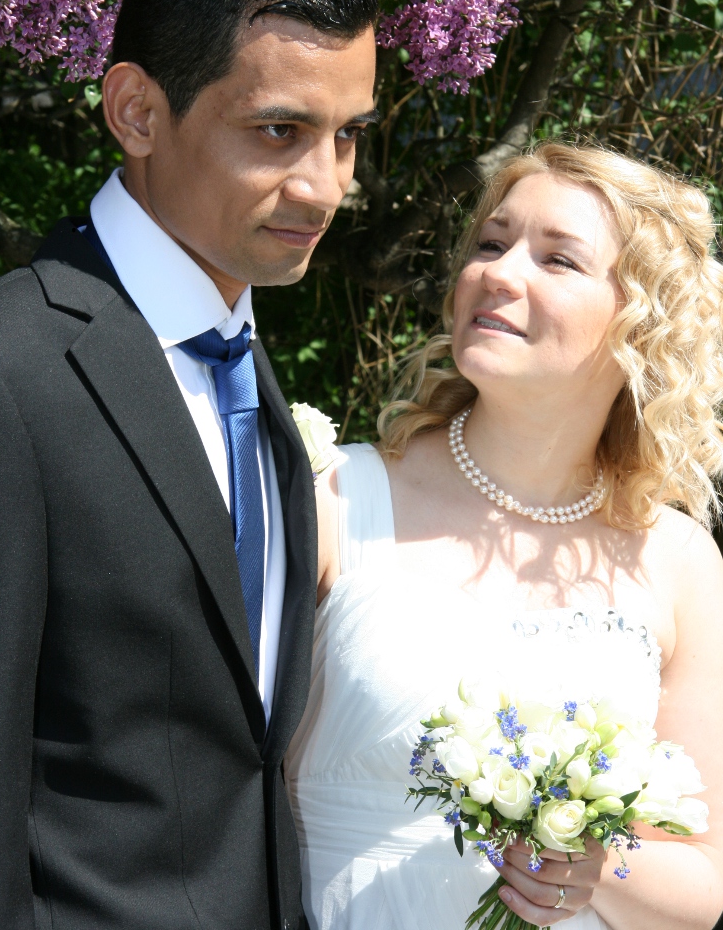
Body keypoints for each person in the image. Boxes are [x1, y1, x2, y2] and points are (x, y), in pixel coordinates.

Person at [0, 0, 378, 930]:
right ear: (137, 109)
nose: (326, 187)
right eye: (279, 131)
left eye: (347, 136)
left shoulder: (244, 365)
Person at [286, 141, 723, 930]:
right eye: (491, 243)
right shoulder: (337, 499)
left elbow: (702, 885)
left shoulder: (681, 564)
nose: (498, 271)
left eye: (558, 260)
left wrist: (594, 858)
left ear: (641, 323)